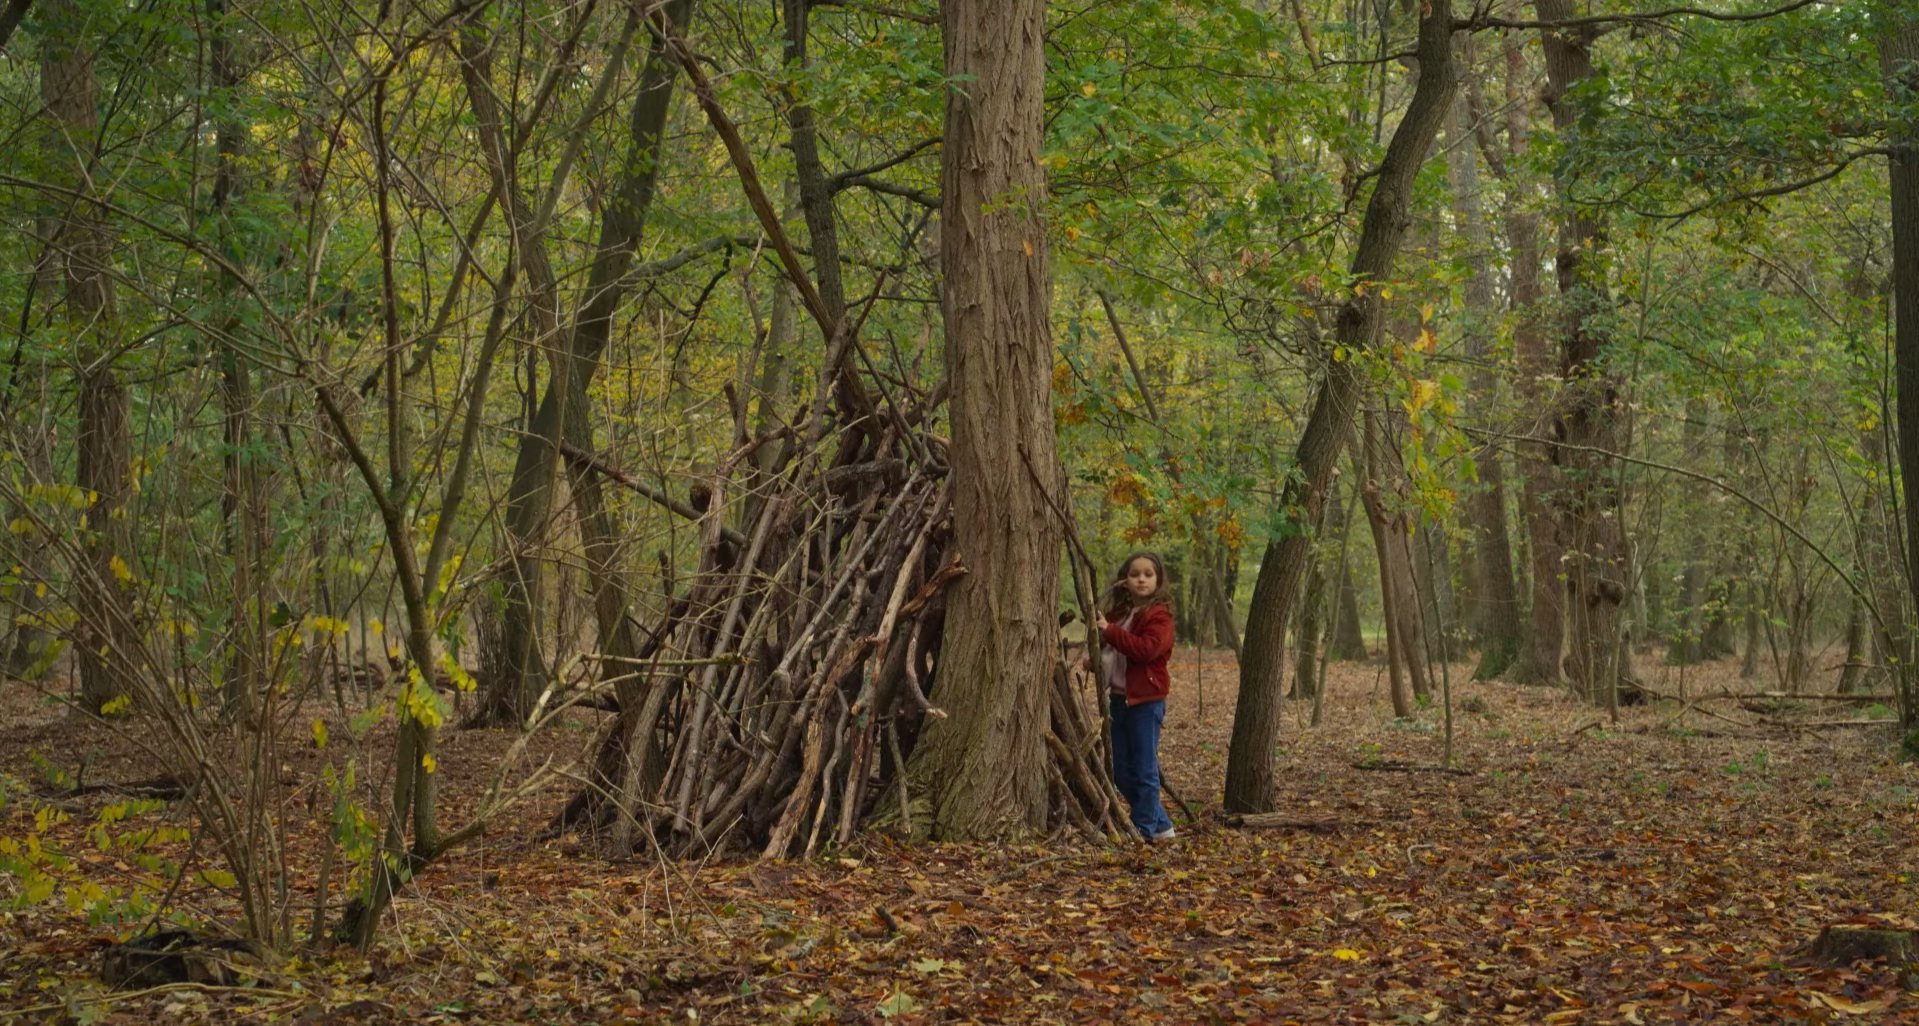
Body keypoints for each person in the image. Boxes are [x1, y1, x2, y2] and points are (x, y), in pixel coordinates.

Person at [1095, 550, 1176, 842]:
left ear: (1158, 580)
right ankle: (1162, 824)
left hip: (1146, 701)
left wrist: (1110, 631)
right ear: (1124, 580)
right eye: (1135, 574)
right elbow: (1110, 650)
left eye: (1148, 574)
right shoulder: (1120, 615)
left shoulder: (1159, 616)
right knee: (1119, 769)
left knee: (1144, 767)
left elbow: (1145, 649)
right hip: (1119, 699)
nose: (1141, 579)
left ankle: (1143, 829)